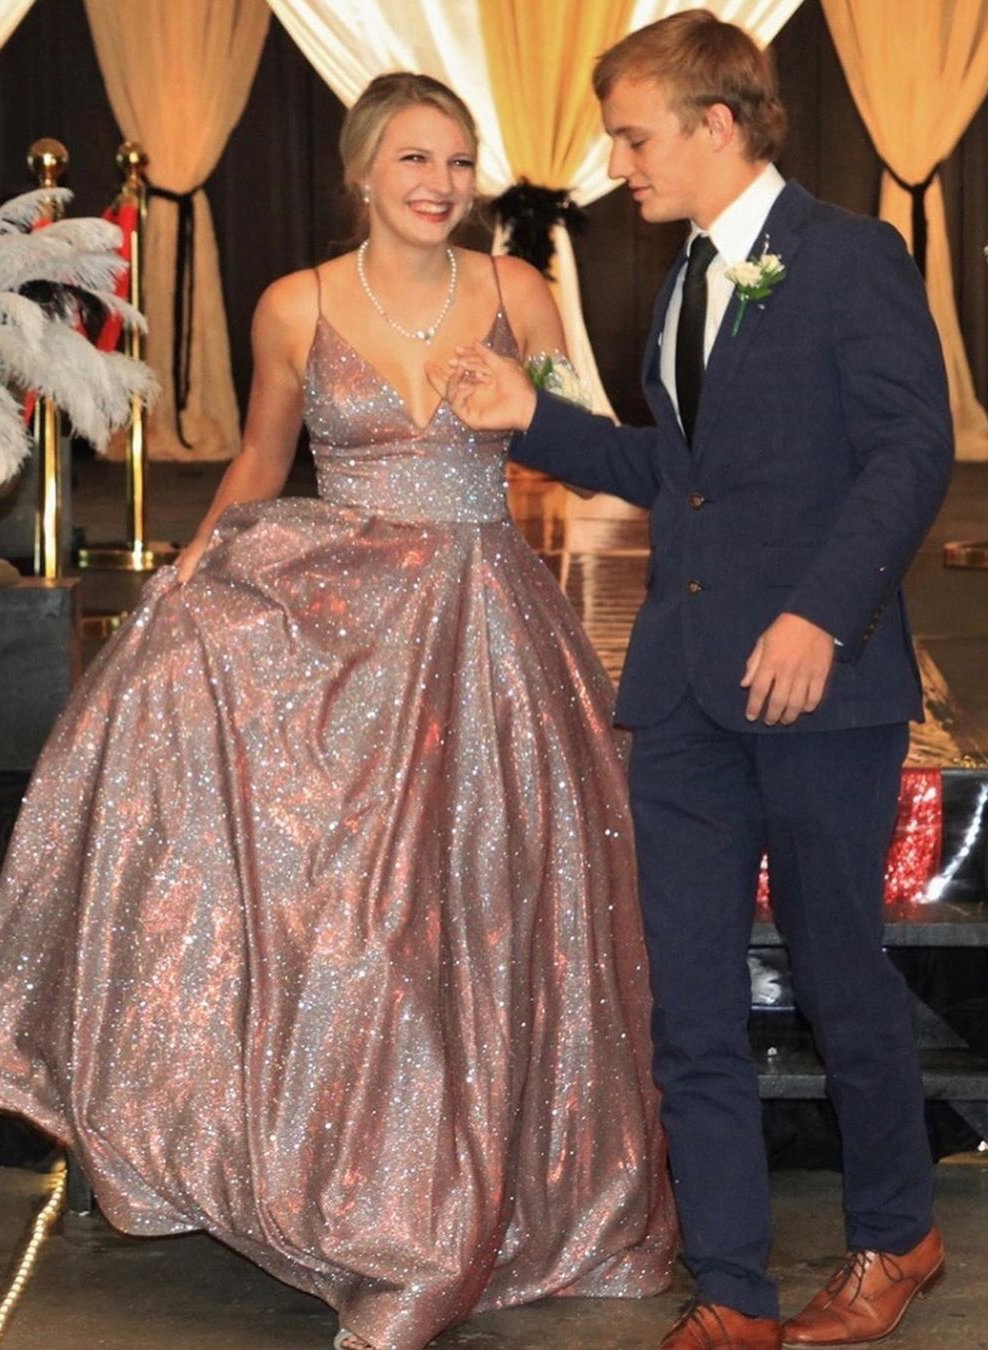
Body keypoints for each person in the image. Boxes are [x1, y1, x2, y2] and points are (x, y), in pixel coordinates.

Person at [0, 74, 676, 1350]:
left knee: (478, 919)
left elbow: (576, 444)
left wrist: (540, 415)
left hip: (486, 634)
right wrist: (190, 572)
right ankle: (373, 1211)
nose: (441, 183)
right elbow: (260, 456)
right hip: (341, 625)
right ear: (362, 170)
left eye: (458, 161)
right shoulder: (295, 304)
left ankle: (468, 1215)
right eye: (415, 158)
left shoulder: (518, 292)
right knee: (363, 925)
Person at [444, 13, 953, 1350]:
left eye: (633, 137)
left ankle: (897, 1233)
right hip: (679, 696)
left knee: (841, 978)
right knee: (690, 1000)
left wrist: (818, 618)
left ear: (717, 124)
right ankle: (731, 1287)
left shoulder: (849, 256)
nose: (618, 165)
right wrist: (531, 419)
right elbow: (681, 476)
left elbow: (912, 453)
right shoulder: (681, 277)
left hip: (818, 690)